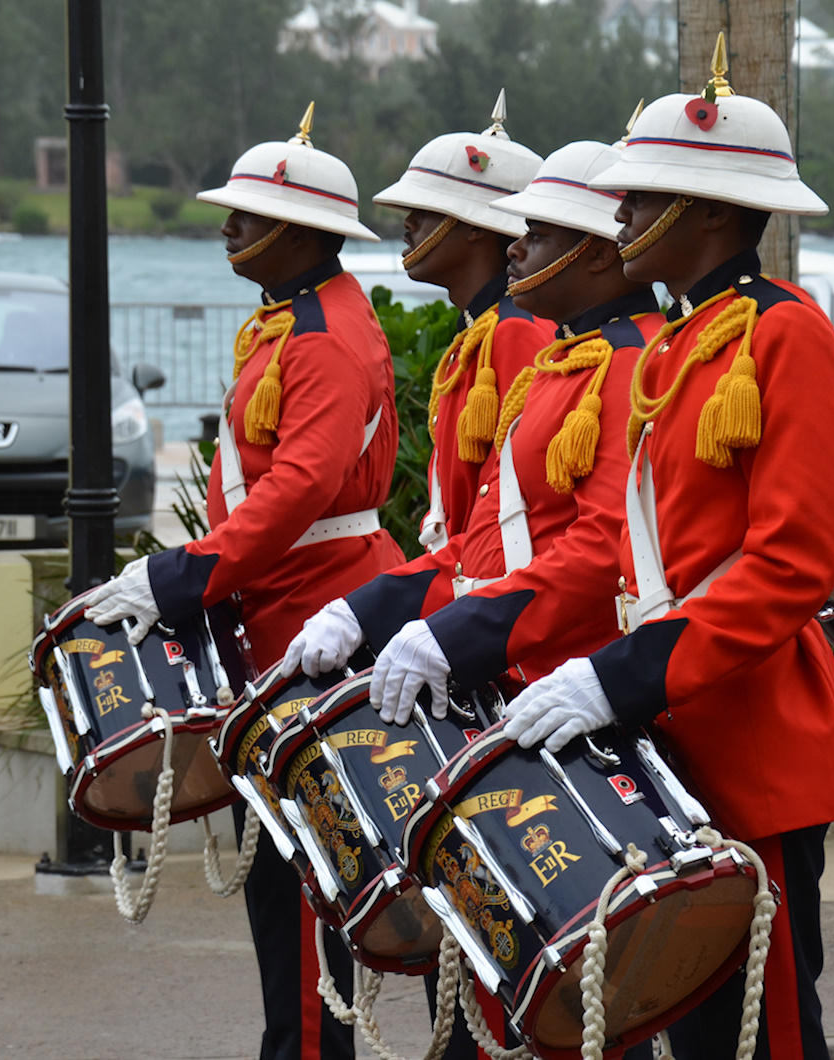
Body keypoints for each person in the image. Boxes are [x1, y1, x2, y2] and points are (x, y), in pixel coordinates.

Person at [498, 42, 834, 1059]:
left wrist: (620, 672)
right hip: (669, 731)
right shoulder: (673, 343)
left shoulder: (785, 335)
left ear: (705, 212)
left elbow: (793, 561)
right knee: (687, 1028)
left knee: (761, 1033)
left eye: (637, 198)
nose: (614, 218)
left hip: (754, 737)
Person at [285, 137, 664, 1060]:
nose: (520, 243)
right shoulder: (543, 352)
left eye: (538, 231)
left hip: (573, 670)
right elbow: (481, 539)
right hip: (512, 661)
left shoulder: (574, 350)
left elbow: (597, 548)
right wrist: (389, 611)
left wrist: (459, 629)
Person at [80, 106, 404, 1060]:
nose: (225, 226)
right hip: (281, 608)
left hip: (315, 613)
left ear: (300, 233)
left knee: (302, 878)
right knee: (281, 876)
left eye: (245, 214)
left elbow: (299, 490)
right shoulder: (292, 320)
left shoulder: (326, 336)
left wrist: (181, 575)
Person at [370, 90, 549, 555]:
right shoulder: (482, 327)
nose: (407, 223)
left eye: (426, 211)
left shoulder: (515, 332)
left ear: (474, 225)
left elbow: (504, 501)